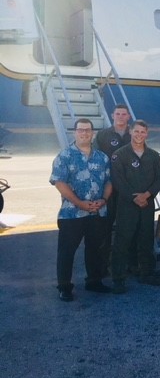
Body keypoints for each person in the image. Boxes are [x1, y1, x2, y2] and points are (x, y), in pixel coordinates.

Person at [50, 118, 112, 301]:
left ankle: (94, 281)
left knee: (95, 250)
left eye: (88, 130)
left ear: (92, 133)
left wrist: (104, 200)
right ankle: (64, 286)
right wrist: (79, 203)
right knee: (67, 251)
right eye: (81, 130)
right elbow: (59, 183)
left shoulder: (102, 157)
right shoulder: (65, 156)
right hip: (72, 213)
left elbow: (108, 181)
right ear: (75, 132)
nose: (84, 133)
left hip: (97, 212)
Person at [109, 120, 160, 294]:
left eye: (143, 132)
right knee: (122, 241)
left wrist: (147, 195)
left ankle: (146, 273)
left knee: (146, 239)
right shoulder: (119, 154)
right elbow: (117, 180)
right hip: (127, 205)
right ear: (130, 132)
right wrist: (134, 197)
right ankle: (118, 278)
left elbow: (159, 179)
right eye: (136, 131)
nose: (139, 135)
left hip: (146, 205)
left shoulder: (154, 155)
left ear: (147, 134)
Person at [93, 104, 131, 277]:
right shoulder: (103, 135)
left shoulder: (135, 134)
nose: (121, 117)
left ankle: (126, 262)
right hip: (108, 189)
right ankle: (102, 264)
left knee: (126, 227)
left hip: (128, 189)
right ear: (112, 115)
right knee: (105, 228)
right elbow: (95, 159)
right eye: (118, 114)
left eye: (124, 114)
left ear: (128, 116)